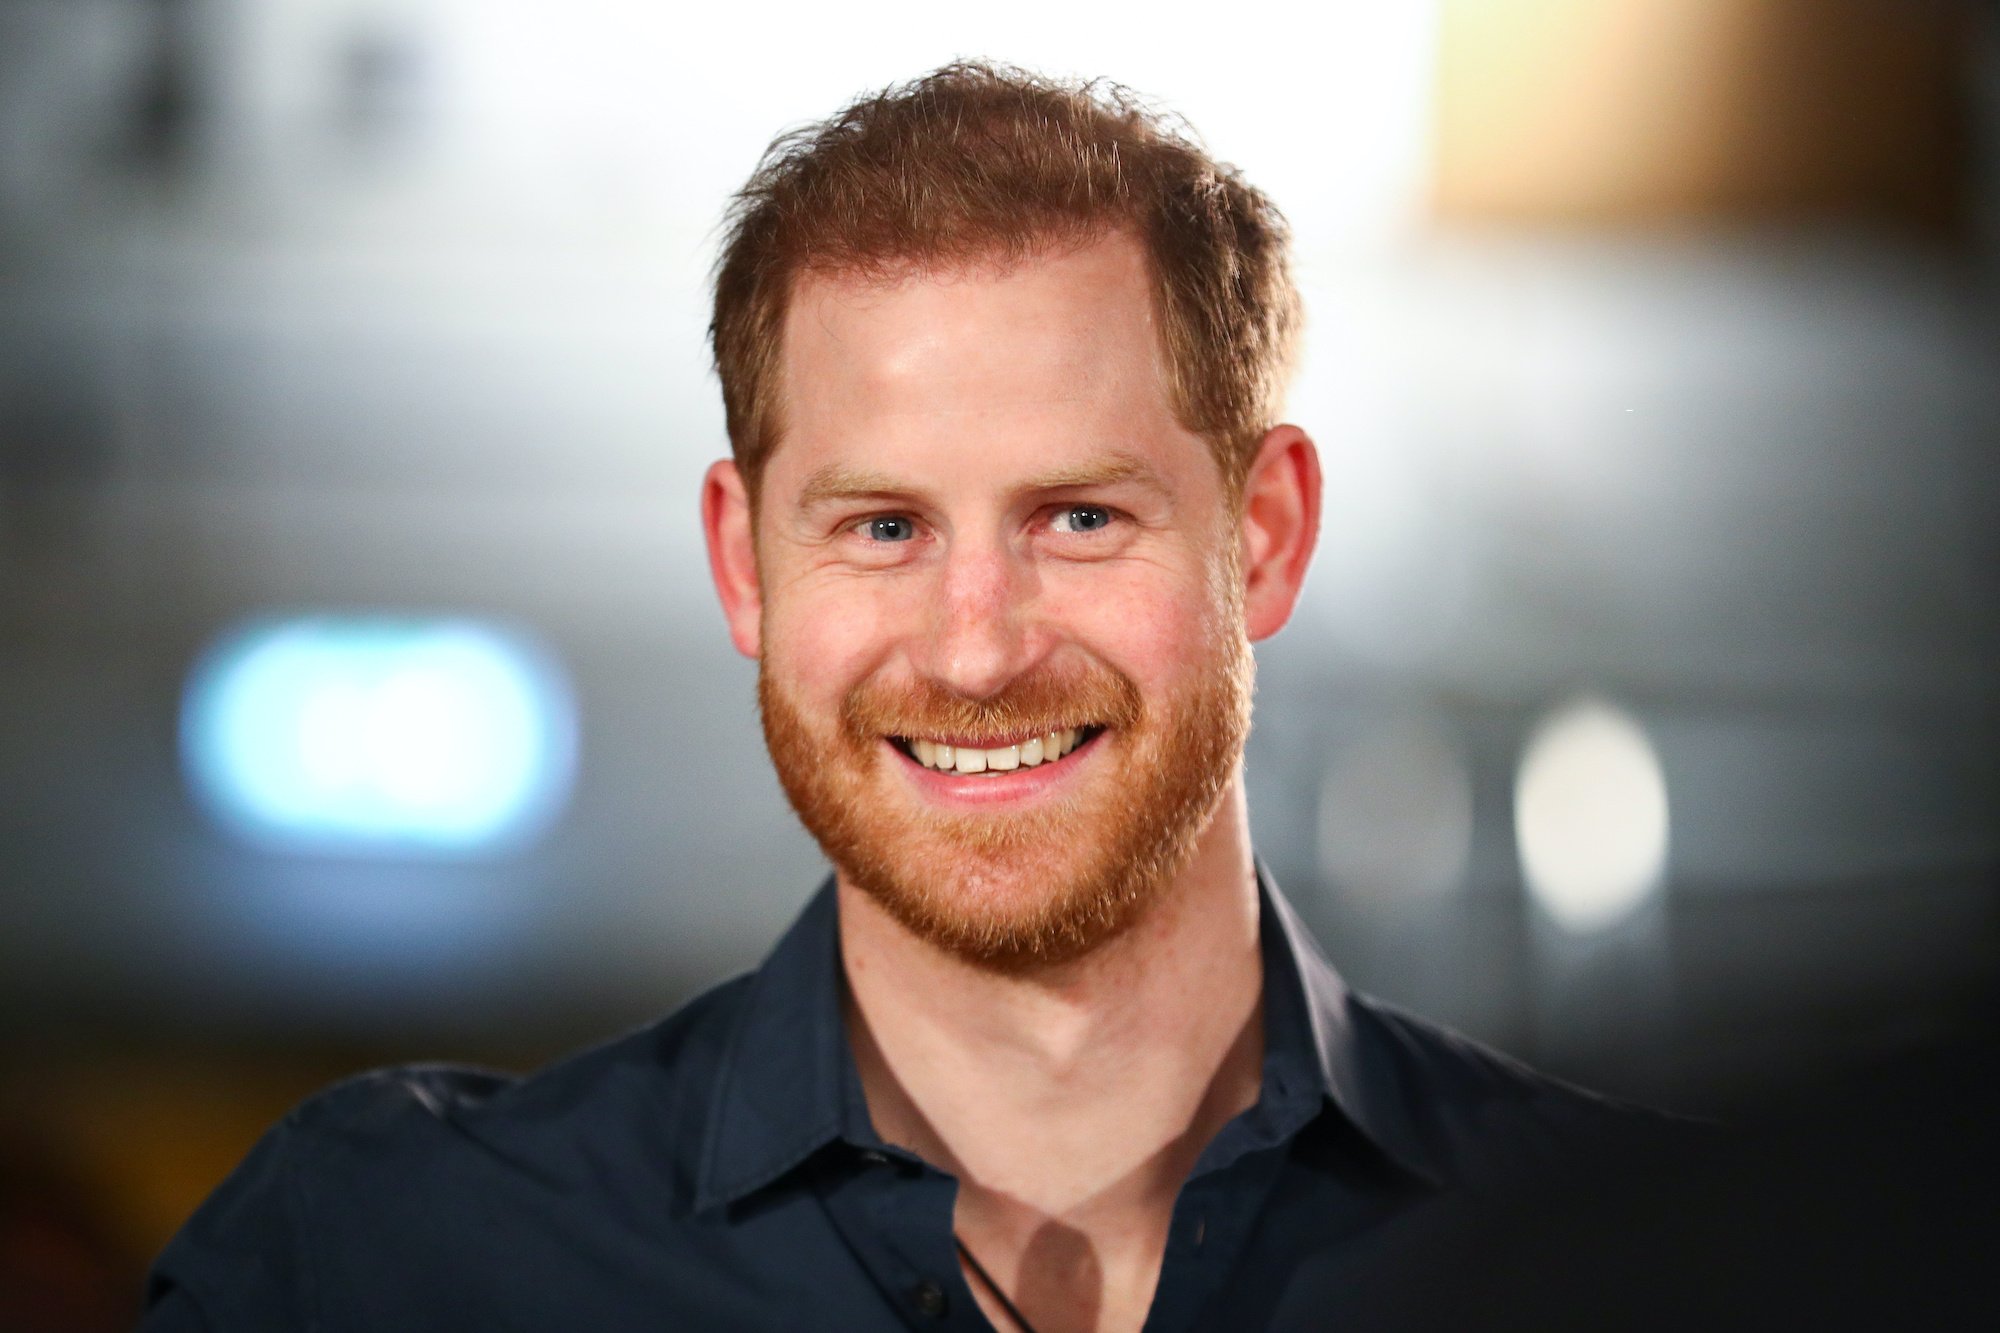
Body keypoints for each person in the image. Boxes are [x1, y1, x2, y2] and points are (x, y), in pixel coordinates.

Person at [143, 63, 1664, 1332]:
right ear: (745, 565)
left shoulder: (1664, 1267)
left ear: (1263, 534)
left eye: (1078, 517)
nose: (978, 648)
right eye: (884, 527)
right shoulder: (385, 1265)